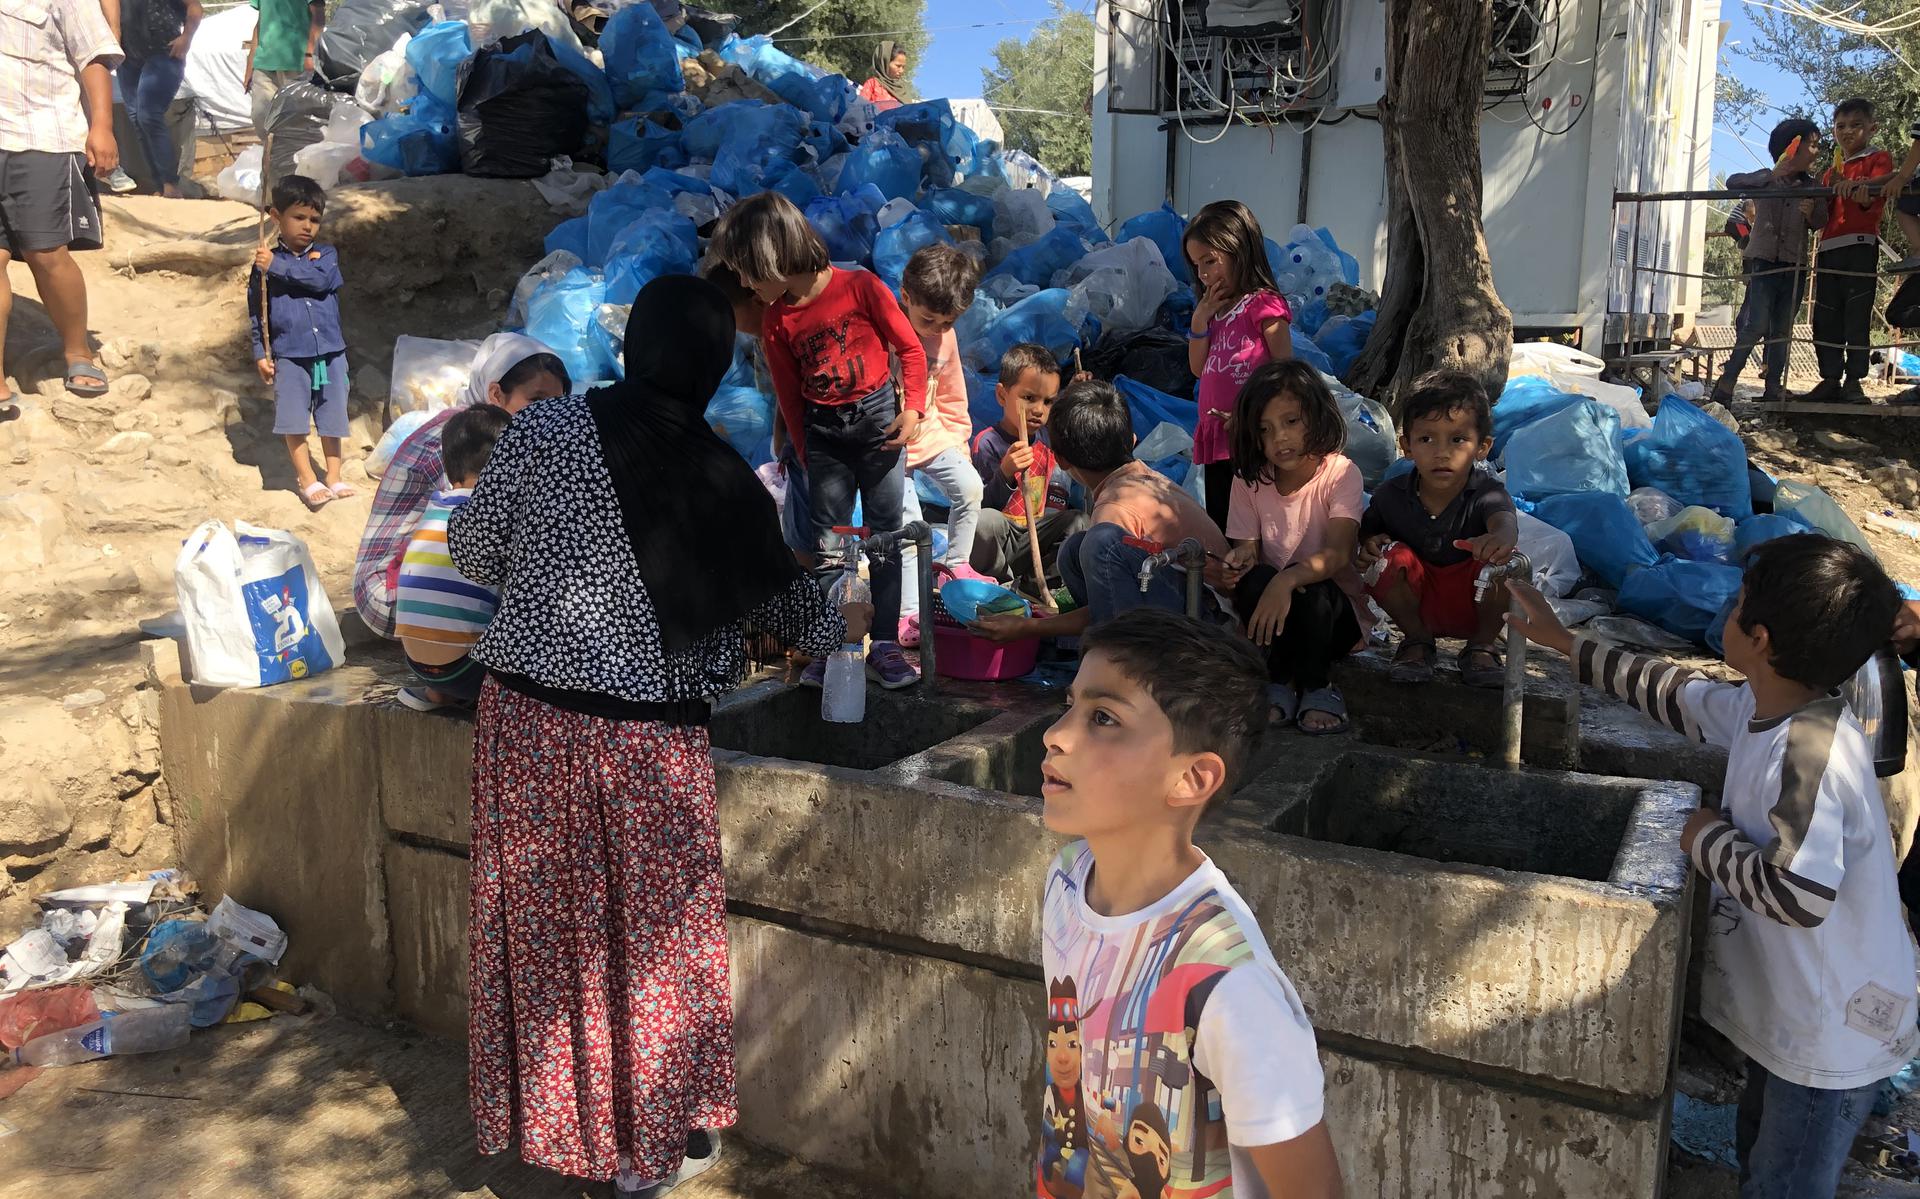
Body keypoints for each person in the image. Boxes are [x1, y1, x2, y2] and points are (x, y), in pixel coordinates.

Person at [447, 275, 860, 1198]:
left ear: (636, 349)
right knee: (651, 943)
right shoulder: (718, 476)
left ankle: (563, 1124)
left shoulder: (546, 430)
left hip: (525, 726)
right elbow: (812, 620)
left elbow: (473, 551)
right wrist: (857, 599)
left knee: (555, 934)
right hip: (641, 746)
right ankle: (651, 1139)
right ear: (714, 366)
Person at [1507, 534, 1918, 1197]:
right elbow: (1682, 696)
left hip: (1829, 1034)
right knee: (1765, 1152)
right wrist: (1565, 643)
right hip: (1800, 1018)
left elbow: (1799, 892)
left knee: (1787, 1178)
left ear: (1758, 637)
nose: (1725, 613)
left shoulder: (1809, 753)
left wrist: (1702, 836)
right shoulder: (1777, 707)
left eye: (1736, 604)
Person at [1036, 608, 1344, 1199]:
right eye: (1069, 704)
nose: (1057, 733)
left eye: (1102, 717)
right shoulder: (1067, 881)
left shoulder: (1228, 987)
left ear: (1192, 779)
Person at [710, 190, 928, 690]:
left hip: (880, 430)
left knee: (885, 540)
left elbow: (910, 350)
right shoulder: (776, 320)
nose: (743, 283)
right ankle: (835, 645)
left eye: (746, 271)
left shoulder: (861, 288)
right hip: (824, 435)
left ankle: (888, 646)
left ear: (772, 258)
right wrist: (806, 456)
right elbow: (789, 395)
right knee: (830, 551)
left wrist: (913, 409)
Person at [971, 380, 1230, 645]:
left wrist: (1029, 628)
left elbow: (1103, 612)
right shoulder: (1145, 478)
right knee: (1074, 549)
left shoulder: (1114, 509)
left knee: (1097, 543)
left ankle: (1120, 656)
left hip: (1207, 627)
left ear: (1060, 459)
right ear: (1131, 441)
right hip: (1197, 603)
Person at [353, 333, 569, 638]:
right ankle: (450, 668)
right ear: (496, 394)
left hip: (413, 582)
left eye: (559, 404)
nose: (549, 414)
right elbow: (482, 538)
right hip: (387, 594)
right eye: (536, 401)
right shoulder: (466, 440)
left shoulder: (485, 431)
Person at [1221, 361, 1366, 735]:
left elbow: (1336, 555)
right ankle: (1281, 680)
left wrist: (1286, 581)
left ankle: (1316, 684)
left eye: (1291, 422)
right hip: (1276, 616)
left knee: (1311, 590)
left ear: (1316, 418)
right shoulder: (1248, 481)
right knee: (1254, 581)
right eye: (1265, 430)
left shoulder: (1340, 474)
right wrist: (1239, 560)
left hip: (1333, 617)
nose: (1279, 439)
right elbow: (1248, 550)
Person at [1354, 370, 1518, 690]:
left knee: (1506, 564)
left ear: (1482, 446)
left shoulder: (1487, 492)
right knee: (1384, 559)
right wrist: (1369, 544)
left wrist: (1499, 539)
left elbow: (1504, 522)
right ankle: (1417, 641)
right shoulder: (1391, 495)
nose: (1442, 453)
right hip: (1417, 601)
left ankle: (1482, 646)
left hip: (1475, 600)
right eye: (1427, 439)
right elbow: (1367, 533)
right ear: (1407, 446)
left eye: (1457, 439)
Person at [0, 0, 121, 418]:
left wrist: (102, 126)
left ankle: (77, 350)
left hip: (42, 137)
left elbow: (94, 57)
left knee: (46, 253)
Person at [897, 242, 991, 642]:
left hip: (932, 431)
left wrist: (958, 440)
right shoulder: (884, 332)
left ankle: (957, 562)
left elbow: (952, 392)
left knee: (970, 486)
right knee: (910, 529)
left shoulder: (945, 340)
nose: (937, 330)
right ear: (906, 297)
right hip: (889, 444)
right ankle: (909, 614)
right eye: (929, 319)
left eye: (947, 323)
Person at [1184, 199, 1294, 530]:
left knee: (1256, 519)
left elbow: (1284, 371)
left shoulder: (1262, 306)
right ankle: (1228, 578)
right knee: (1223, 518)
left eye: (1210, 261)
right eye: (1196, 266)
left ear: (1240, 251)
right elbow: (1197, 368)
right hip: (1217, 436)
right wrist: (1200, 319)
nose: (1203, 275)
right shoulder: (1214, 313)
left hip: (1253, 435)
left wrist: (1251, 414)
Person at [394, 404, 511, 713]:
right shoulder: (495, 514)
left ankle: (437, 694)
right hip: (471, 672)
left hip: (417, 664)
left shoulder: (434, 508)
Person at [250, 173, 349, 510]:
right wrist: (259, 352)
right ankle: (307, 478)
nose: (308, 226)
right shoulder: (263, 266)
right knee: (294, 417)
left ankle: (334, 475)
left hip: (330, 353)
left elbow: (319, 283)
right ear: (276, 217)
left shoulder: (326, 255)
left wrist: (276, 266)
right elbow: (257, 312)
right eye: (298, 217)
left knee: (332, 412)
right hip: (290, 354)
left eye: (315, 220)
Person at [1711, 119, 1826, 405]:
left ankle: (1773, 387)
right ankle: (1726, 383)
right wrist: (1769, 177)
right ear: (1792, 147)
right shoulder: (1765, 177)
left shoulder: (1814, 186)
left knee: (1783, 328)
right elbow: (1732, 182)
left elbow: (1821, 220)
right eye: (1811, 145)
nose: (1816, 151)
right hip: (1763, 262)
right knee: (1755, 324)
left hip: (1794, 265)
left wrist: (1812, 213)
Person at [968, 343, 1087, 598]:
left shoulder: (1045, 436)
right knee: (984, 522)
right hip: (1004, 540)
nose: (1038, 410)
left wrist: (1077, 394)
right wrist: (1005, 473)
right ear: (1002, 396)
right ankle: (996, 588)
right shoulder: (987, 442)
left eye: (1048, 402)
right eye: (1029, 398)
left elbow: (1066, 415)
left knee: (1077, 520)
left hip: (1036, 536)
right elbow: (981, 506)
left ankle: (1041, 589)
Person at [1807, 98, 1895, 404]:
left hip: (1860, 245)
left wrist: (1863, 188)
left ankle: (1854, 381)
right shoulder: (1833, 171)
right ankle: (1829, 378)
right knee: (1826, 315)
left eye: (1856, 125)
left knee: (1856, 313)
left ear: (1872, 128)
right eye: (1841, 126)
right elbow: (1821, 213)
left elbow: (1887, 184)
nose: (1848, 132)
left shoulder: (1878, 159)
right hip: (1829, 247)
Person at [116, 0, 199, 198]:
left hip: (163, 52)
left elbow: (194, 7)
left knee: (148, 115)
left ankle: (170, 183)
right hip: (129, 56)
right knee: (137, 118)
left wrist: (187, 37)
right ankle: (160, 184)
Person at [242, 0, 323, 143]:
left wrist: (310, 53)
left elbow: (319, 16)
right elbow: (261, 21)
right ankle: (274, 160)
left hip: (296, 63)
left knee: (298, 120)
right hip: (264, 63)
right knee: (260, 117)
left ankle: (298, 160)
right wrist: (250, 63)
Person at [858, 39, 911, 112]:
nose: (901, 71)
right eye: (898, 66)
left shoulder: (903, 91)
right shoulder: (872, 84)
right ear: (884, 63)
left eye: (903, 67)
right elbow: (860, 110)